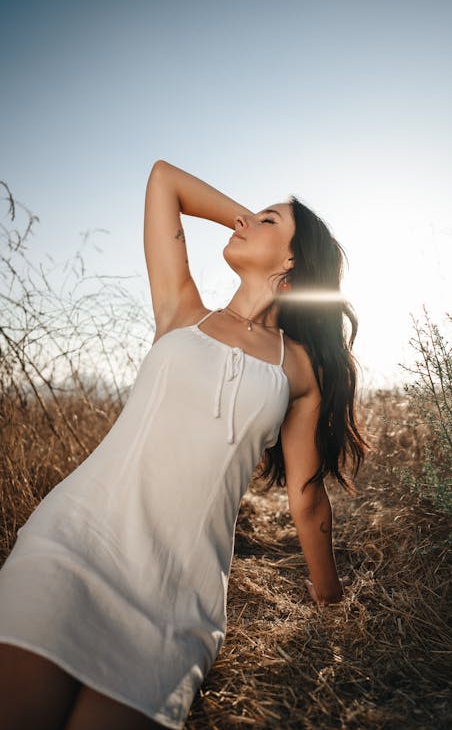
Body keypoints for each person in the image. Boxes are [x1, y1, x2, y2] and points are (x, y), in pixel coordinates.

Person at [0, 159, 370, 729]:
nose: (244, 223)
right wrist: (249, 221)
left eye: (267, 220)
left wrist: (331, 605)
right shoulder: (183, 310)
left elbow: (306, 496)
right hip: (74, 541)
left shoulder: (297, 369)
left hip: (176, 593)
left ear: (293, 261)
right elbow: (162, 180)